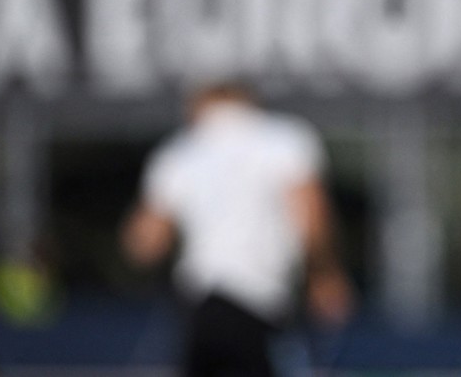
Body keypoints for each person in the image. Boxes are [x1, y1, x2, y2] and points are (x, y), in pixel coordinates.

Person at [122, 83, 353, 377]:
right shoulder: (285, 140)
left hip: (201, 308)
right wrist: (324, 274)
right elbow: (311, 216)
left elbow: (145, 244)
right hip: (262, 302)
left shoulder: (178, 152)